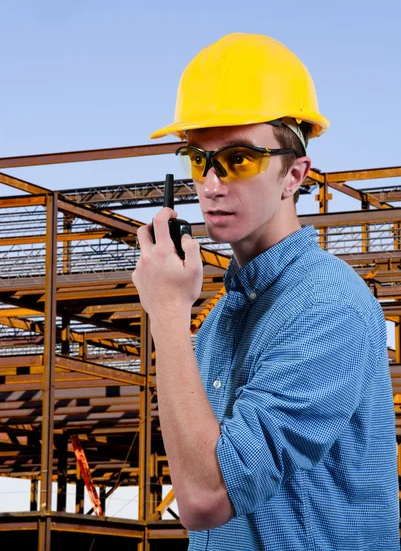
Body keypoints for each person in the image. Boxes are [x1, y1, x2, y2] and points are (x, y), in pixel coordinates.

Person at [132, 33, 399, 550]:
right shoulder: (217, 324)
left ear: (292, 174)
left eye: (239, 159)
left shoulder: (330, 305)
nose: (211, 184)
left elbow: (205, 499)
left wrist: (165, 311)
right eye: (198, 159)